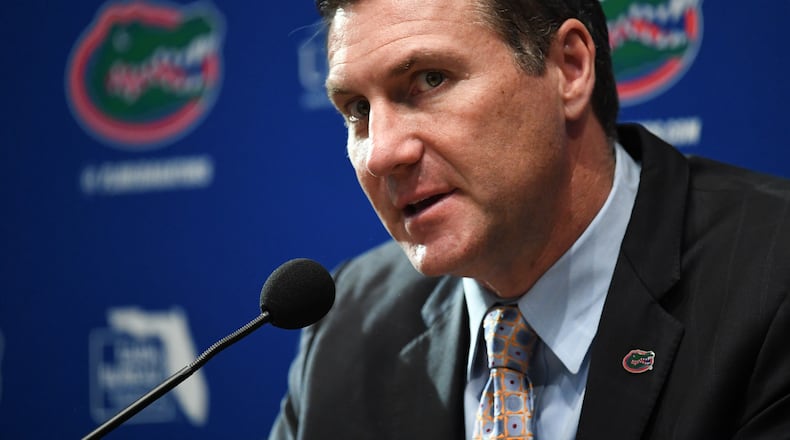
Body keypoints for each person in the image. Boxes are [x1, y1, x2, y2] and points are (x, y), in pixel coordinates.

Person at [269, 0, 790, 438]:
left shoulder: (772, 278)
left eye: (430, 80)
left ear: (569, 68)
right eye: (357, 109)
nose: (381, 154)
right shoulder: (345, 329)